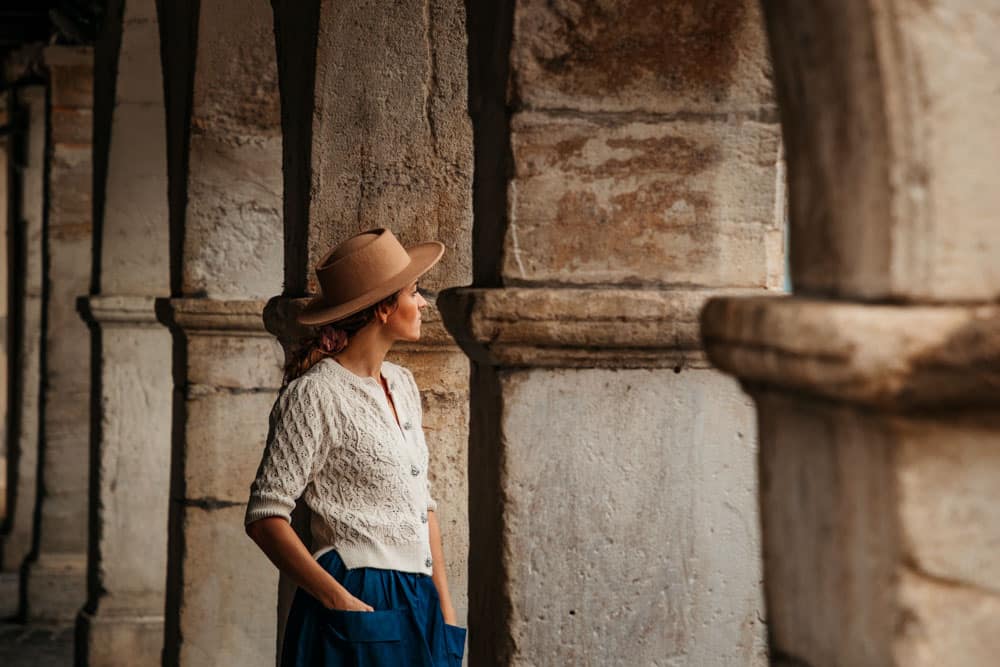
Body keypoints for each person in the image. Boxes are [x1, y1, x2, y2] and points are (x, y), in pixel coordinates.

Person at [245, 228, 465, 666]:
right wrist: (338, 600)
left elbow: (425, 506)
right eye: (414, 293)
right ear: (384, 308)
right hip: (360, 595)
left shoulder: (402, 384)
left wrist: (445, 611)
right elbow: (265, 515)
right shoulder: (315, 395)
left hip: (419, 598)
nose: (423, 304)